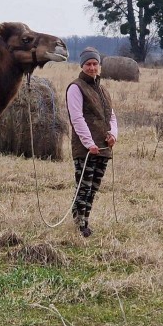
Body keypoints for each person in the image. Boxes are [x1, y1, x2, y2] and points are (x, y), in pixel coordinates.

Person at [65, 47, 118, 237]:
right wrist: (88, 143)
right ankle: (80, 223)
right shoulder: (75, 87)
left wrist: (113, 135)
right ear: (82, 66)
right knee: (84, 186)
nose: (92, 67)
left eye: (95, 64)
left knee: (94, 187)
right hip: (86, 149)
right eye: (88, 64)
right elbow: (77, 118)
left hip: (103, 147)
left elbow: (111, 116)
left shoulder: (103, 90)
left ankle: (85, 220)